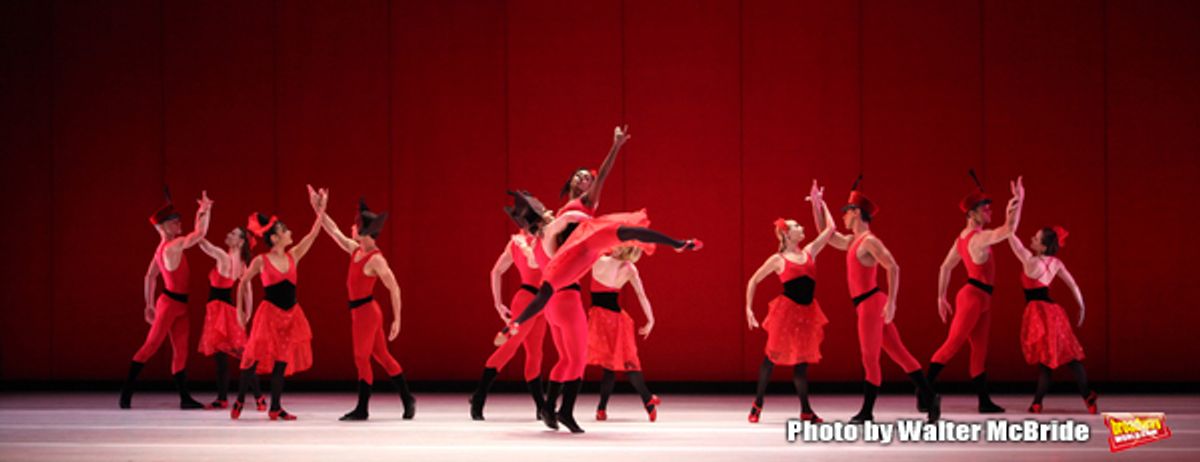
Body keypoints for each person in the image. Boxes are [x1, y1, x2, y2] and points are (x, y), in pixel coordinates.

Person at [819, 176, 940, 423]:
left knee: (870, 357)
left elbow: (893, 266)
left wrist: (892, 301)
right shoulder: (853, 241)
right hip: (870, 304)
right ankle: (929, 395)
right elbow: (827, 236)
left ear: (856, 212)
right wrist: (819, 204)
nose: (843, 217)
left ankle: (867, 412)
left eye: (846, 212)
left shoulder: (869, 241)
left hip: (871, 305)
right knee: (900, 354)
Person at [929, 172, 1024, 413]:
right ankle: (924, 389)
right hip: (972, 297)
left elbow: (946, 266)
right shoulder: (978, 238)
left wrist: (941, 296)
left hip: (982, 299)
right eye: (986, 209)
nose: (990, 212)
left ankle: (983, 401)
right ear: (972, 213)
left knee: (980, 351)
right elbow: (1008, 230)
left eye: (991, 209)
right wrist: (1019, 201)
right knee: (953, 344)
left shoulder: (962, 237)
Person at [316, 193, 416, 421]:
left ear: (364, 232)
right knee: (382, 356)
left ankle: (363, 408)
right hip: (362, 312)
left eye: (355, 225)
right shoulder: (355, 250)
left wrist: (398, 319)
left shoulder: (376, 259)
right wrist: (319, 209)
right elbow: (333, 231)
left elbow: (395, 287)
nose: (351, 227)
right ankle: (408, 398)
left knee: (361, 358)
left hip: (366, 314)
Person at [744, 180, 834, 423]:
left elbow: (831, 230)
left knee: (801, 363)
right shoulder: (778, 259)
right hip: (786, 312)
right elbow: (753, 280)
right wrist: (749, 309)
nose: (801, 227)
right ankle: (757, 403)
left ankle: (806, 410)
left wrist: (820, 203)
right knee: (771, 359)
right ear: (787, 233)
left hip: (807, 312)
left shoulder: (810, 251)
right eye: (796, 225)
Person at [120, 188, 212, 410]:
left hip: (178, 305)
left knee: (181, 351)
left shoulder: (161, 248)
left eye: (179, 220)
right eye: (174, 221)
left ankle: (184, 398)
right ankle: (126, 392)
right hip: (170, 305)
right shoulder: (170, 247)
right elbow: (199, 235)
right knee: (150, 346)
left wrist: (148, 304)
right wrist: (205, 210)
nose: (179, 224)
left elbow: (150, 275)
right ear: (161, 227)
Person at [1006, 225, 1097, 414]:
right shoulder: (1056, 263)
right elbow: (1073, 285)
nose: (1032, 238)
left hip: (1038, 313)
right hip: (1055, 313)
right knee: (1070, 357)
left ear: (1043, 247)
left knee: (1046, 360)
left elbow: (1010, 235)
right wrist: (1082, 306)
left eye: (1036, 239)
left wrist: (1012, 211)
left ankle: (1037, 403)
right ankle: (1087, 396)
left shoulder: (1030, 261)